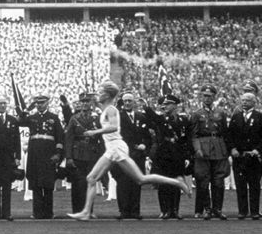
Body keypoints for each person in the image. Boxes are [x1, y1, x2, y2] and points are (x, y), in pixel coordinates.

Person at [68, 81, 191, 221]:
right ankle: (86, 212)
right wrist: (92, 96)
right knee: (92, 178)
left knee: (140, 179)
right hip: (112, 147)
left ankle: (177, 183)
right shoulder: (106, 107)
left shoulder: (111, 110)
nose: (98, 95)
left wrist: (95, 132)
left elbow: (114, 127)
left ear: (108, 95)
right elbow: (96, 100)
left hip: (116, 147)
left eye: (101, 92)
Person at [144, 94, 192, 219]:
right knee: (163, 183)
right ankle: (165, 210)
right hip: (163, 155)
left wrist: (187, 156)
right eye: (164, 104)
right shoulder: (161, 119)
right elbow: (153, 118)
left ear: (175, 105)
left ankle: (175, 210)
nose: (164, 106)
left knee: (176, 182)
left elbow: (186, 140)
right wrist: (146, 107)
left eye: (168, 104)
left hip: (177, 155)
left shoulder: (183, 120)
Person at [17, 94, 65, 219]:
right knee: (36, 184)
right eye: (37, 103)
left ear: (47, 103)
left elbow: (60, 137)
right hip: (35, 154)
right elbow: (20, 121)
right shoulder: (32, 117)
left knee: (48, 184)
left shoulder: (54, 118)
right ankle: (37, 212)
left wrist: (58, 153)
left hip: (49, 154)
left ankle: (48, 212)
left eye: (42, 103)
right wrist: (27, 109)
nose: (39, 105)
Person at [189, 85, 231, 220]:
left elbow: (225, 133)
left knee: (218, 181)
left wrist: (226, 150)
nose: (207, 98)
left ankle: (217, 209)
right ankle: (206, 209)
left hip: (218, 148)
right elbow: (194, 135)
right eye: (204, 95)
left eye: (209, 95)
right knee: (203, 180)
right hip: (203, 148)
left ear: (214, 97)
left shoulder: (220, 113)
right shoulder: (196, 114)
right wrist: (198, 149)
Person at [228, 91, 262, 220]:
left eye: (247, 100)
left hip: (254, 156)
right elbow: (230, 135)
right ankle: (242, 211)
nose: (244, 102)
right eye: (243, 100)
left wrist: (258, 150)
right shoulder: (236, 117)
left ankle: (254, 211)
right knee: (240, 185)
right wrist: (232, 149)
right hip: (239, 156)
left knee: (254, 185)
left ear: (253, 102)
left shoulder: (260, 117)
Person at [64, 92, 104, 215]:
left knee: (90, 182)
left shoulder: (97, 118)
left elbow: (101, 137)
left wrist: (101, 154)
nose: (85, 104)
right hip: (78, 154)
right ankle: (77, 209)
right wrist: (69, 157)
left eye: (87, 101)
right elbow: (69, 138)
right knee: (77, 183)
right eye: (83, 102)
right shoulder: (74, 118)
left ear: (91, 103)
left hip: (92, 153)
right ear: (80, 103)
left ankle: (89, 210)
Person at [114, 91, 151, 220]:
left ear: (134, 102)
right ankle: (124, 211)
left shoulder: (141, 117)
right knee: (123, 183)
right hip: (124, 154)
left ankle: (135, 211)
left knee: (136, 182)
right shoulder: (118, 117)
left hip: (138, 156)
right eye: (125, 101)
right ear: (122, 103)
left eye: (130, 100)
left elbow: (147, 136)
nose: (128, 103)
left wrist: (145, 146)